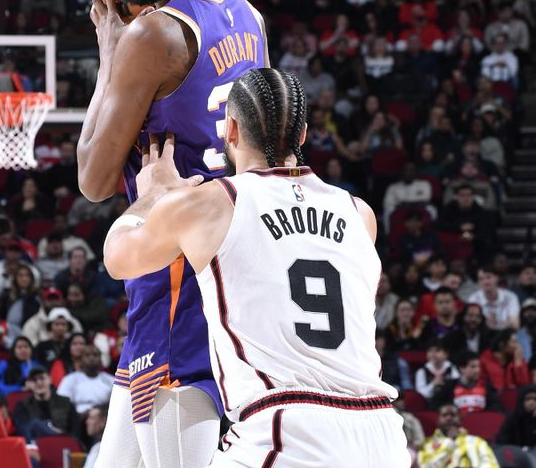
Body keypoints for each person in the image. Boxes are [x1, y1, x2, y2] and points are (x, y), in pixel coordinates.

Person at [102, 68, 410, 466]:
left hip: (287, 429)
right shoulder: (360, 214)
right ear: (301, 136)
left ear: (229, 130)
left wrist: (152, 197)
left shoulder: (214, 203)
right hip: (381, 435)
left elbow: (118, 258)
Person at [77, 0, 267, 468]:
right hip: (224, 253)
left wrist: (110, 46)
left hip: (173, 272)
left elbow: (94, 177)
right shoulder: (248, 17)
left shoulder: (152, 34)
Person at [12, 366, 80, 442]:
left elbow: (75, 429)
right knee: (35, 424)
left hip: (63, 443)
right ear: (28, 384)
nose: (39, 383)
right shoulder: (23, 405)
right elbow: (23, 431)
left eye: (42, 378)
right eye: (34, 380)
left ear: (50, 379)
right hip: (37, 446)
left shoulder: (65, 402)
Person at [417, 404, 499, 468]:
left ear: (460, 419)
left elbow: (490, 464)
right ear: (438, 420)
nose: (449, 418)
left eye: (453, 415)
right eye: (444, 415)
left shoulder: (476, 442)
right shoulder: (427, 444)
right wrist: (450, 443)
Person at [432, 351, 501, 413]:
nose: (478, 370)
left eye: (478, 366)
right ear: (462, 368)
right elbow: (435, 408)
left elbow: (496, 410)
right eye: (473, 367)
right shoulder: (449, 387)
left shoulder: (487, 387)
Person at [57, 343, 114, 415]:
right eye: (87, 355)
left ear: (100, 359)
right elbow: (62, 404)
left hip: (103, 418)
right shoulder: (69, 380)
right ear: (81, 360)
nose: (91, 358)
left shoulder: (111, 380)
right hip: (76, 419)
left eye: (95, 355)